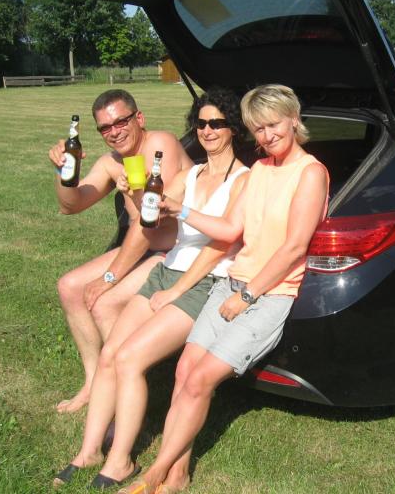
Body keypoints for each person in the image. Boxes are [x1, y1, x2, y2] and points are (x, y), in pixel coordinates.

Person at [119, 84, 329, 494]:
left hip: (269, 294)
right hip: (231, 284)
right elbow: (231, 229)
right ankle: (177, 474)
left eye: (273, 124)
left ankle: (154, 473)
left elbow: (293, 248)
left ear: (293, 120)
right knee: (184, 373)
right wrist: (180, 209)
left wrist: (247, 295)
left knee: (201, 380)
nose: (267, 135)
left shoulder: (311, 173)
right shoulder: (261, 170)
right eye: (258, 128)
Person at [53, 89, 249, 488]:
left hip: (192, 273)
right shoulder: (188, 175)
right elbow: (134, 213)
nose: (207, 131)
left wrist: (114, 277)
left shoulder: (237, 177)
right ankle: (89, 449)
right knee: (110, 349)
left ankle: (120, 457)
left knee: (125, 352)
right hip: (167, 265)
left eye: (216, 123)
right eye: (201, 124)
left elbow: (218, 236)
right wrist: (72, 175)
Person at [48, 89, 193, 413]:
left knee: (105, 303)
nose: (114, 132)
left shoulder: (160, 145)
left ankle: (120, 389)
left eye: (121, 122)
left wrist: (109, 278)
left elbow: (150, 221)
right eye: (105, 127)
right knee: (69, 286)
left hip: (175, 251)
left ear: (139, 118)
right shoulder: (111, 163)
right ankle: (93, 381)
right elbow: (71, 205)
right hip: (146, 249)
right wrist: (63, 172)